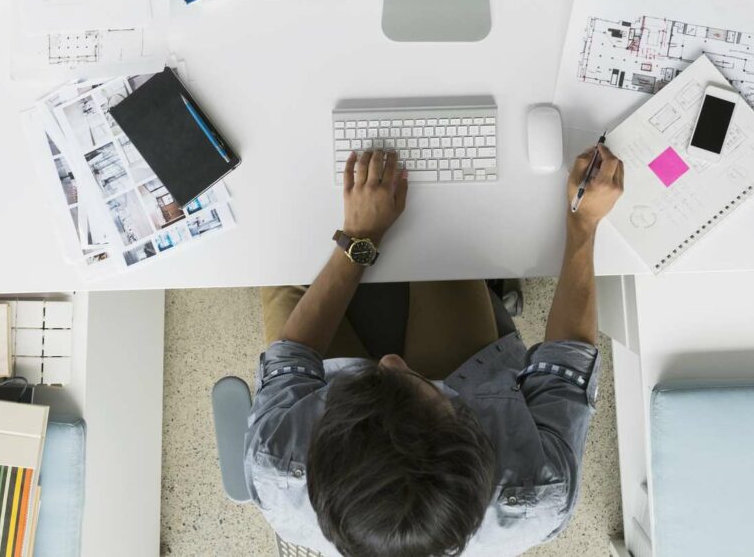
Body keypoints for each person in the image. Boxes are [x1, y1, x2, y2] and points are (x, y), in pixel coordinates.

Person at [246, 146, 625, 557]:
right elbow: (566, 359)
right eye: (424, 388)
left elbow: (293, 356)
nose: (390, 361)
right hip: (469, 377)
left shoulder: (278, 468)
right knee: (441, 238)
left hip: (332, 397)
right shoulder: (537, 494)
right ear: (475, 437)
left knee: (285, 261)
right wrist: (583, 223)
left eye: (379, 376)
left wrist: (360, 238)